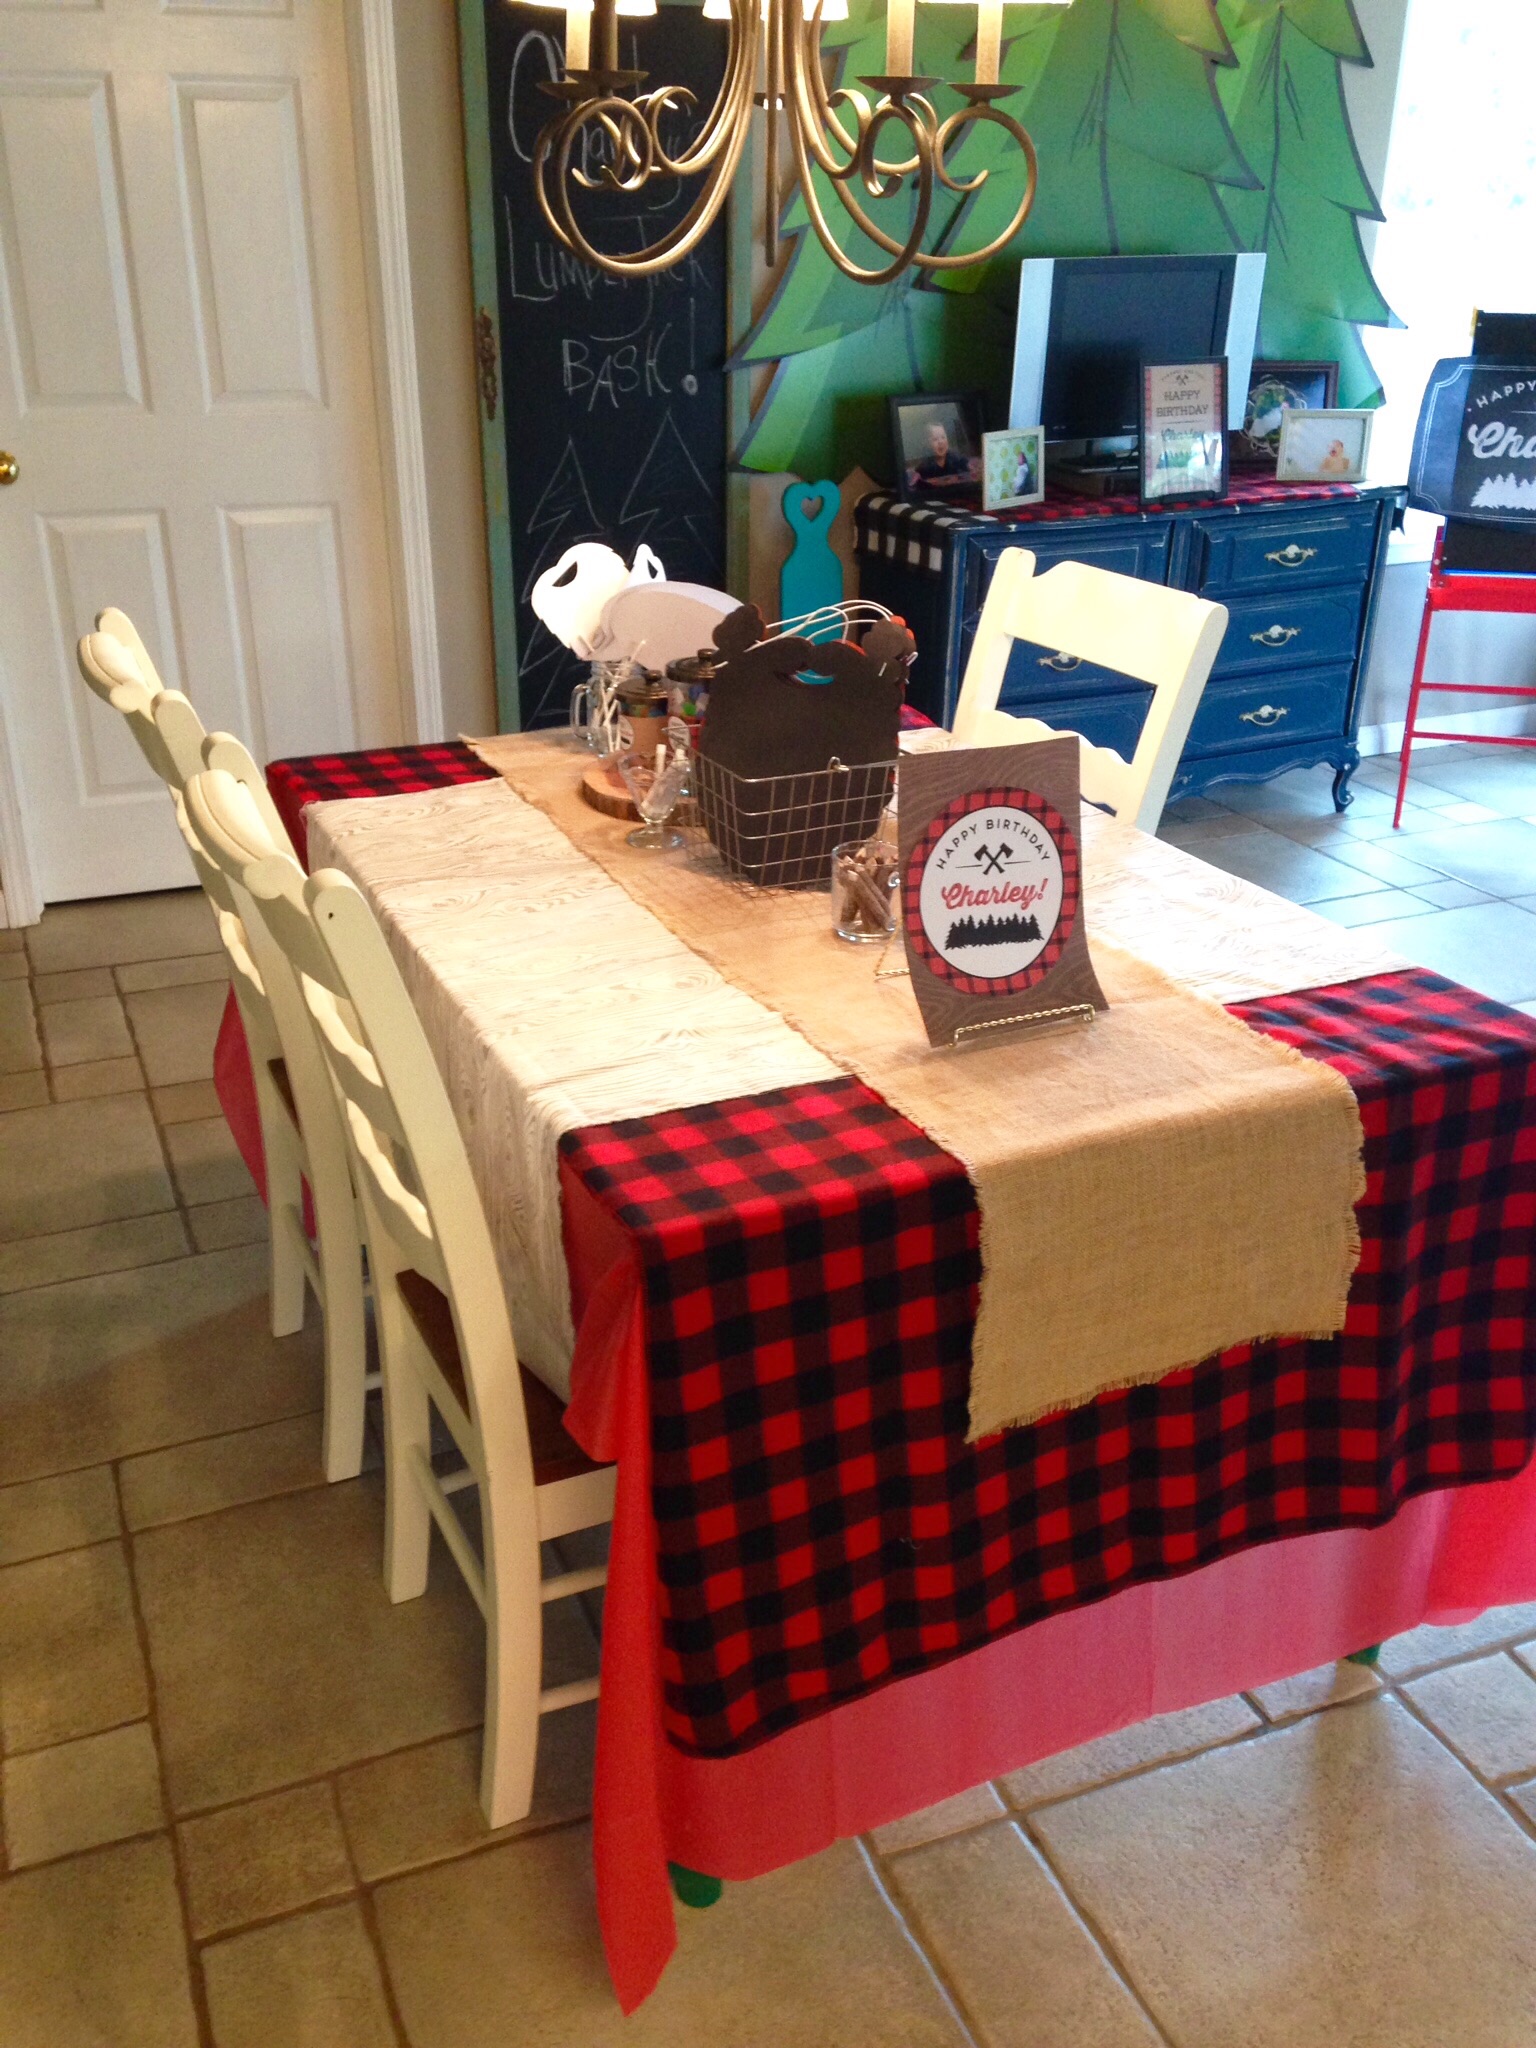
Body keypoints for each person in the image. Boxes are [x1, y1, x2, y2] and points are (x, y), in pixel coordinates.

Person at [910, 418, 972, 492]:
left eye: (943, 437)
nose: (941, 442)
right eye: (935, 439)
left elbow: (968, 471)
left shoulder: (957, 459)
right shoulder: (923, 468)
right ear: (927, 444)